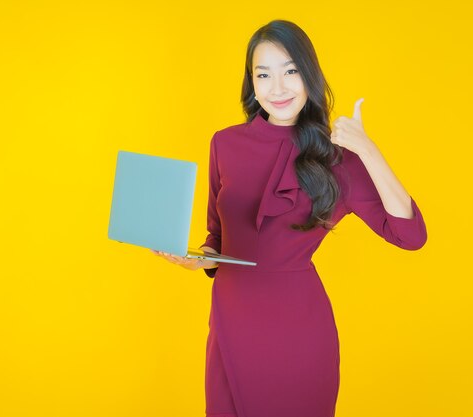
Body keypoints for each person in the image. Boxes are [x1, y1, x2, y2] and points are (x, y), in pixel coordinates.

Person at [152, 19, 427, 417]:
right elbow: (218, 234)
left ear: (309, 75)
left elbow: (410, 234)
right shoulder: (224, 143)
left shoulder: (339, 158)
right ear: (251, 82)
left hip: (298, 329)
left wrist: (369, 151)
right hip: (231, 322)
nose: (276, 88)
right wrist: (201, 258)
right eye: (263, 74)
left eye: (290, 71)